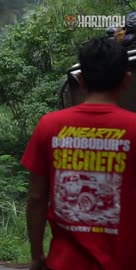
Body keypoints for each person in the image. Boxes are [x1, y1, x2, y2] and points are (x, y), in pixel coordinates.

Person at [21, 37, 136, 270]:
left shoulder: (50, 126)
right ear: (126, 80)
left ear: (81, 80)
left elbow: (36, 199)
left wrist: (36, 255)